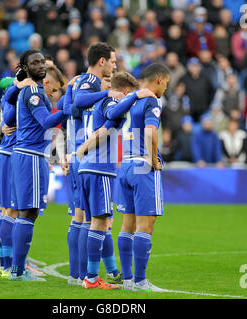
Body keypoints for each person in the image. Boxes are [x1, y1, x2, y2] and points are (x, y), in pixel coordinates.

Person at [76, 72, 156, 290]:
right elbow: (105, 128)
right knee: (100, 223)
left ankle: (93, 274)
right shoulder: (111, 101)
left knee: (92, 221)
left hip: (86, 167)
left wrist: (80, 150)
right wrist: (136, 95)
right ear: (126, 92)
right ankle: (91, 278)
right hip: (99, 168)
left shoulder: (95, 102)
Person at [2, 50, 66, 282]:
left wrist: (7, 121)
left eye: (42, 61)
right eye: (35, 63)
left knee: (25, 212)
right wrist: (68, 108)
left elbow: (9, 106)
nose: (40, 65)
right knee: (28, 212)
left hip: (24, 153)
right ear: (26, 68)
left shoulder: (26, 90)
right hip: (31, 155)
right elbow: (46, 122)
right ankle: (18, 270)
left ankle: (17, 267)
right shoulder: (34, 93)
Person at [63, 42, 122, 286]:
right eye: (113, 61)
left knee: (85, 217)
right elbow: (78, 103)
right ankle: (85, 275)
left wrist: (68, 88)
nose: (115, 66)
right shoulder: (91, 82)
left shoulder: (80, 82)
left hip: (78, 154)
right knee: (93, 219)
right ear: (102, 61)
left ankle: (84, 274)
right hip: (88, 154)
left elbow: (69, 107)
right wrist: (107, 94)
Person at [114, 63, 170, 292]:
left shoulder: (129, 101)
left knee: (127, 224)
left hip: (125, 164)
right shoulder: (150, 100)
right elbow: (150, 130)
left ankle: (127, 280)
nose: (166, 87)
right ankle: (140, 281)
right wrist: (152, 157)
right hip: (141, 165)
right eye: (166, 82)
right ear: (158, 79)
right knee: (146, 225)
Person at [0, 77, 18, 279]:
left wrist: (2, 125)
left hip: (3, 154)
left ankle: (3, 262)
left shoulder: (5, 102)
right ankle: (8, 266)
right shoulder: (17, 100)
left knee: (4, 209)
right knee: (12, 210)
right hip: (12, 157)